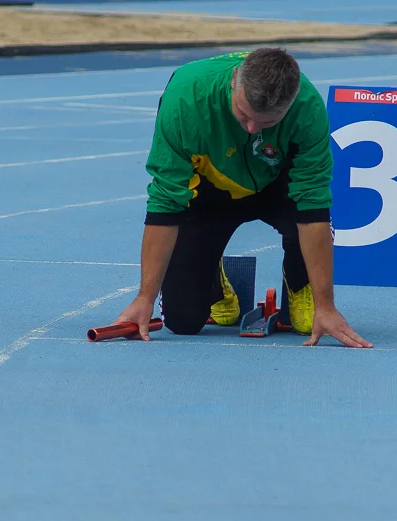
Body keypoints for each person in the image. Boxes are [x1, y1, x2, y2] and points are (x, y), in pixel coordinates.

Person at [113, 48, 372, 348]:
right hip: (211, 191)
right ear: (235, 79)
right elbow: (165, 201)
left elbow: (313, 206)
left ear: (290, 105)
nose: (251, 129)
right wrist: (144, 298)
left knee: (306, 324)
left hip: (278, 186)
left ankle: (301, 286)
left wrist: (327, 307)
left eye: (266, 124)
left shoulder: (308, 107)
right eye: (244, 114)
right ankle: (214, 275)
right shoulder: (185, 98)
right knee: (181, 321)